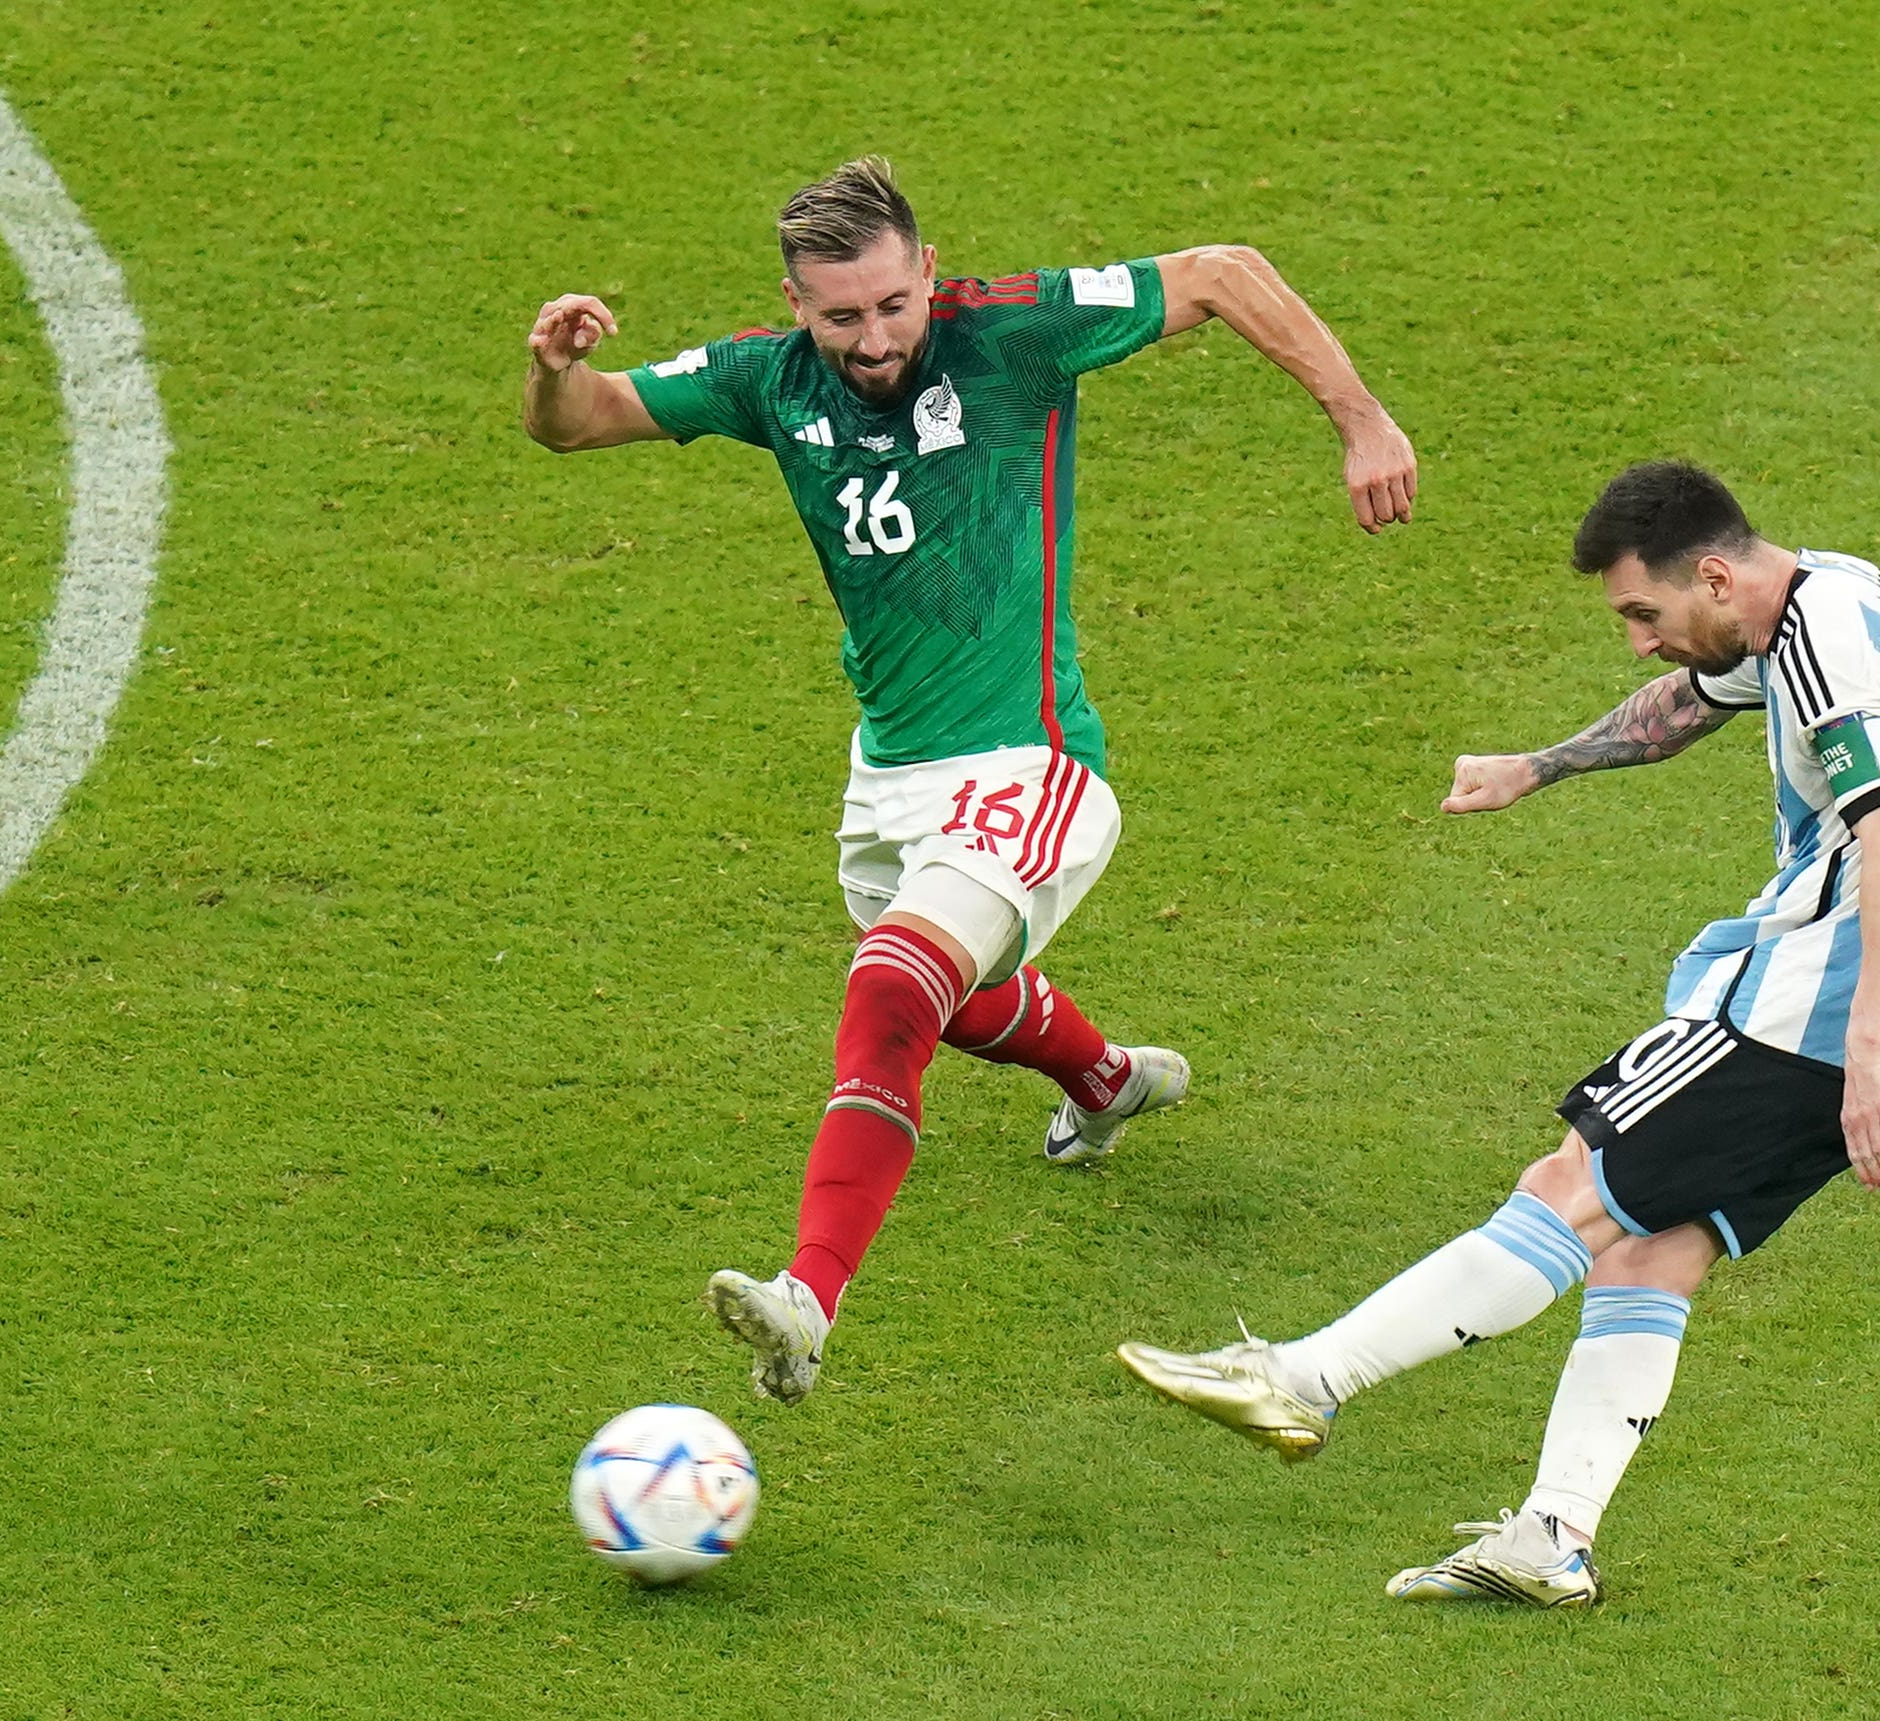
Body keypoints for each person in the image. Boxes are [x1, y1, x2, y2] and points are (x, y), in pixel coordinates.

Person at [522, 157, 1417, 1405]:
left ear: (928, 274)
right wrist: (554, 367)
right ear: (794, 304)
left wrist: (1361, 417)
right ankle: (1101, 1081)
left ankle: (807, 1300)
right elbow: (582, 420)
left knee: (890, 989)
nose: (876, 337)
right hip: (887, 771)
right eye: (843, 316)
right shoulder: (765, 381)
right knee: (942, 993)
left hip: (1030, 762)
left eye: (895, 304)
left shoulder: (1011, 336)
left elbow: (1224, 274)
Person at [1117, 460, 1880, 1606]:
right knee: (1648, 1248)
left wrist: (1861, 1045)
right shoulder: (1810, 604)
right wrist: (1540, 766)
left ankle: (1302, 1378)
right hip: (1861, 1017)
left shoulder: (1824, 642)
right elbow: (1685, 707)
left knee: (1571, 1182)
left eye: (1645, 614)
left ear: (1713, 576)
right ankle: (1551, 1536)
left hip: (1806, 1007)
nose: (1637, 643)